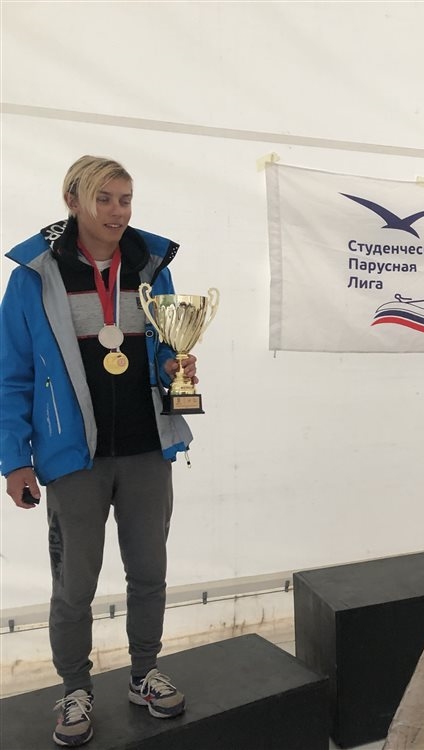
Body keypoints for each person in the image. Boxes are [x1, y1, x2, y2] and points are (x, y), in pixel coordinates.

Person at [1, 156, 195, 746]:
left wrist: (175, 367)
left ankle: (144, 673)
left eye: (125, 199)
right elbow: (12, 375)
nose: (117, 211)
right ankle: (74, 688)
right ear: (73, 200)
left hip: (146, 449)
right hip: (71, 457)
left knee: (150, 572)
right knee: (74, 585)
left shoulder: (151, 267)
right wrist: (15, 459)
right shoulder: (34, 276)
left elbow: (166, 346)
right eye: (104, 198)